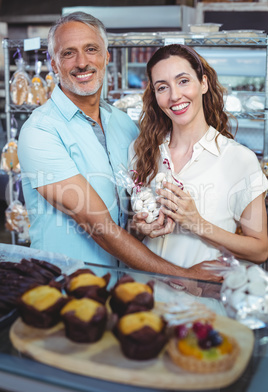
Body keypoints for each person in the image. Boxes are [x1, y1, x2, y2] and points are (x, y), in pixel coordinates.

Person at [17, 12, 219, 281]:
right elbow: (97, 225)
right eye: (68, 53)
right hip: (66, 290)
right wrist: (183, 276)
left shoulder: (124, 124)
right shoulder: (40, 131)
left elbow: (130, 207)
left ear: (106, 57)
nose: (82, 62)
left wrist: (141, 223)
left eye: (91, 49)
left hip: (125, 286)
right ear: (53, 64)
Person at [129, 44, 268, 268]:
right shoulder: (140, 151)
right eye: (162, 87)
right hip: (143, 295)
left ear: (203, 83)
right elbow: (129, 236)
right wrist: (138, 229)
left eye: (183, 81)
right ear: (154, 95)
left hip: (200, 300)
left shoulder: (239, 159)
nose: (175, 96)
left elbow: (260, 250)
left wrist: (197, 223)